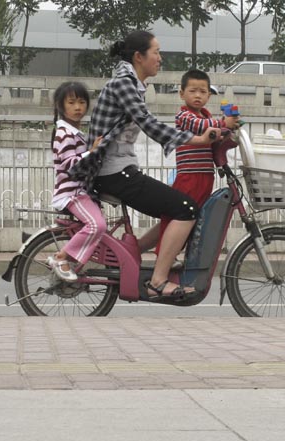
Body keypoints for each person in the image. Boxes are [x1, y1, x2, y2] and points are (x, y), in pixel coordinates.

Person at [69, 30, 219, 300]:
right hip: (112, 172)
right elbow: (149, 124)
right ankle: (158, 281)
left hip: (120, 169)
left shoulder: (133, 84)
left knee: (174, 208)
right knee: (185, 208)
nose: (160, 58)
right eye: (156, 53)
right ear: (139, 57)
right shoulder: (123, 84)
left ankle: (136, 253)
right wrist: (198, 139)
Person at [154, 69, 239, 255]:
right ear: (181, 93)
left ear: (209, 95)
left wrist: (230, 129)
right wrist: (223, 123)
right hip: (189, 176)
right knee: (179, 216)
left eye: (202, 91)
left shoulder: (207, 117)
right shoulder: (184, 116)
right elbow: (200, 127)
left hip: (205, 177)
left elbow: (213, 133)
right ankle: (164, 255)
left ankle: (177, 254)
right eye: (192, 91)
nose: (198, 95)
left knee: (195, 219)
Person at [47, 82, 107, 282]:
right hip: (72, 193)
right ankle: (61, 257)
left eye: (82, 102)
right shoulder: (64, 134)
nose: (78, 107)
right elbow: (70, 165)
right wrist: (92, 151)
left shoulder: (75, 132)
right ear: (61, 105)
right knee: (97, 225)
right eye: (71, 102)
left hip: (80, 192)